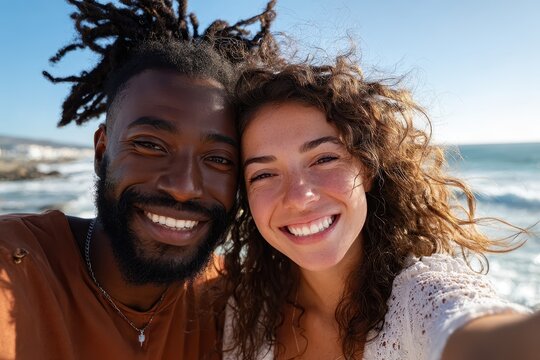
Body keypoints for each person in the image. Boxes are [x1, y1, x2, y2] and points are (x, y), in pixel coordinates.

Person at [0, 0, 279, 358]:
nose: (183, 186)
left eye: (217, 159)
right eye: (150, 145)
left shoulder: (234, 300)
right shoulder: (16, 267)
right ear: (102, 151)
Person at [220, 56, 539, 359]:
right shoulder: (242, 308)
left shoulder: (421, 298)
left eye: (325, 159)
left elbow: (484, 336)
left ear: (368, 169)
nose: (299, 196)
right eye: (263, 174)